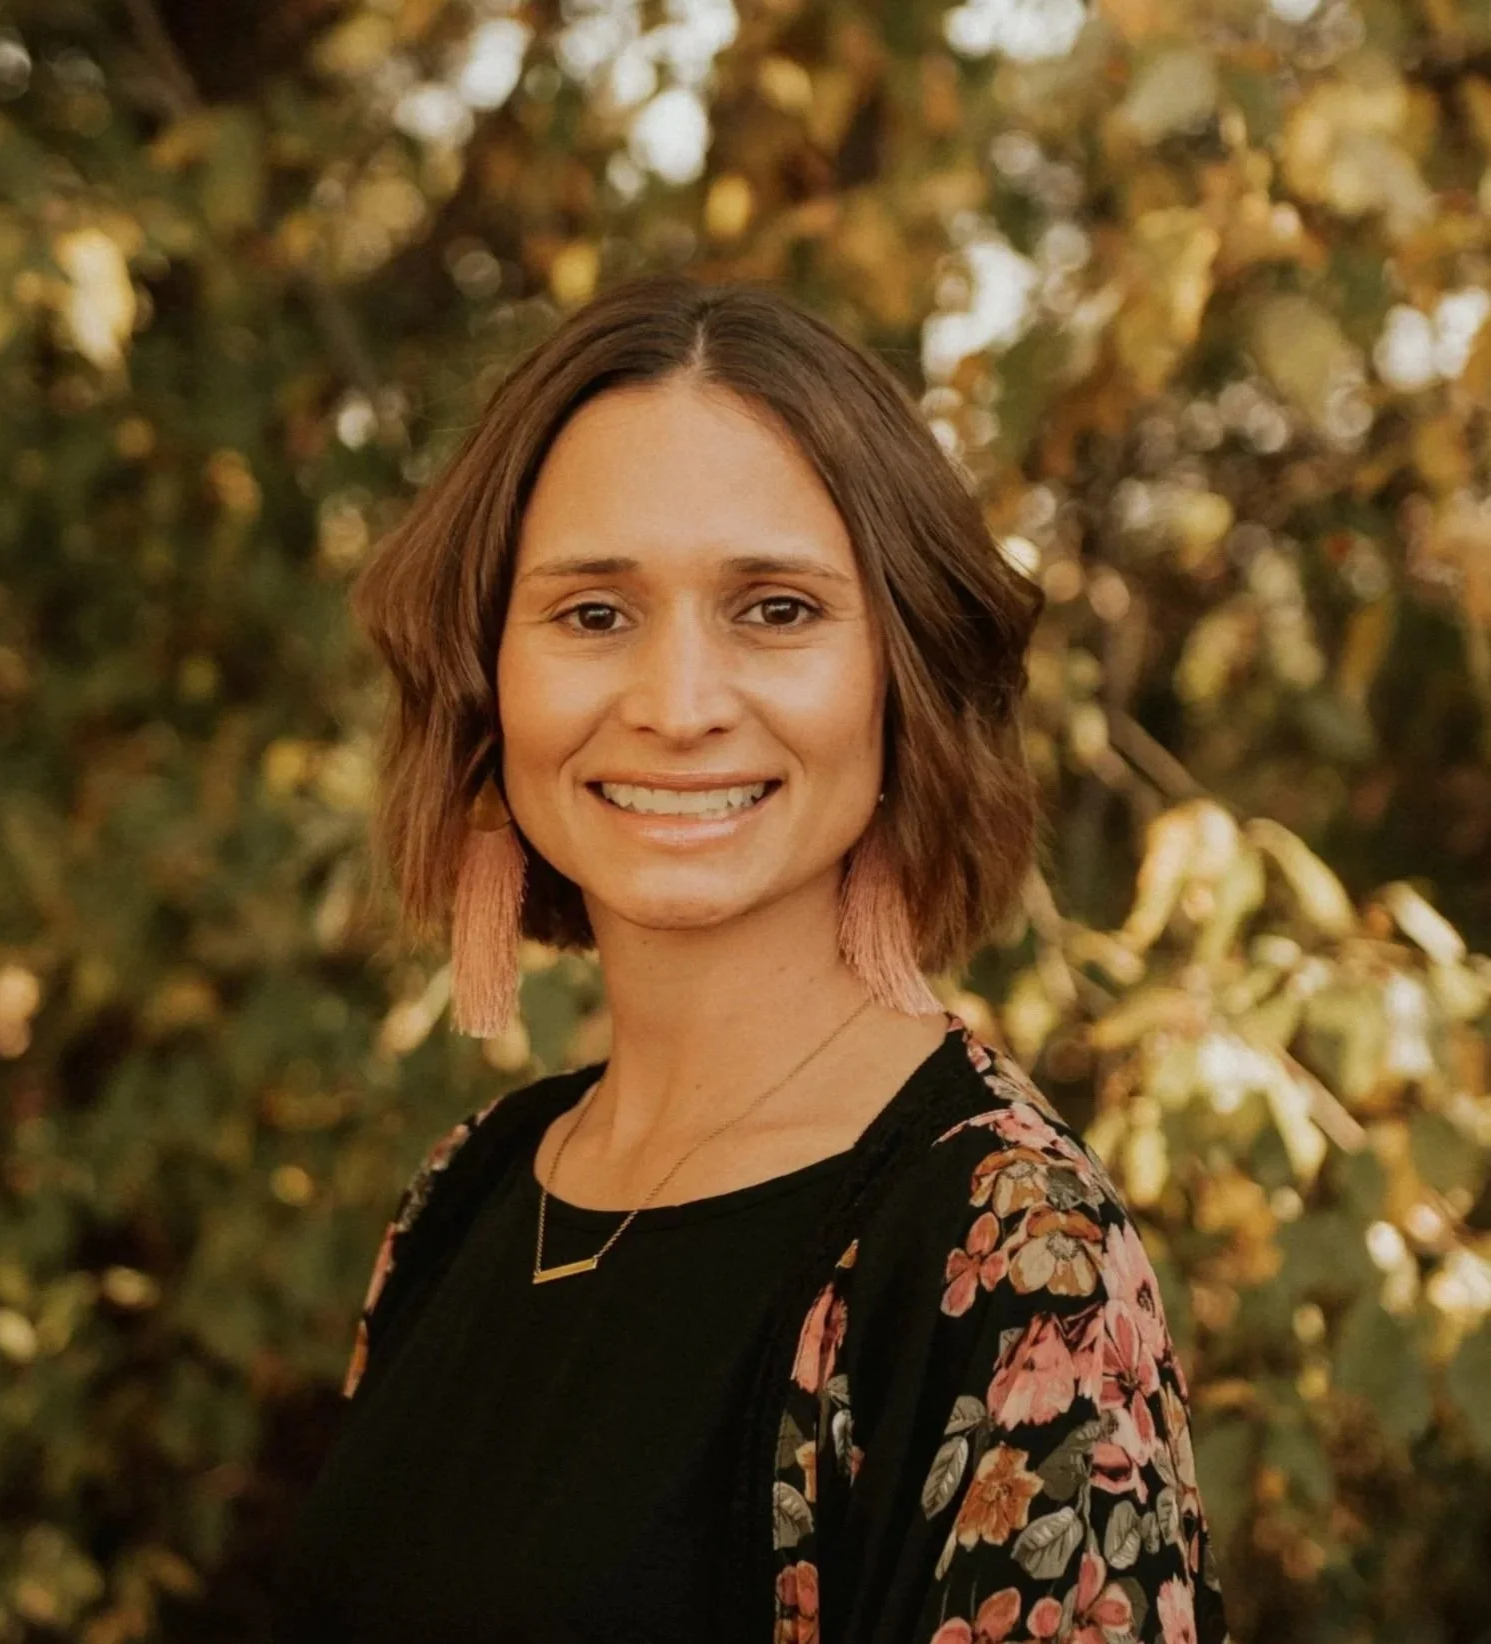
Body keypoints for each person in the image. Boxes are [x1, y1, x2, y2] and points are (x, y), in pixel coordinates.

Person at [270, 272, 1232, 1644]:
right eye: (594, 613)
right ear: (488, 679)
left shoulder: (1007, 1250)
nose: (676, 707)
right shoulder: (470, 1190)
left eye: (775, 609)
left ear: (903, 672)